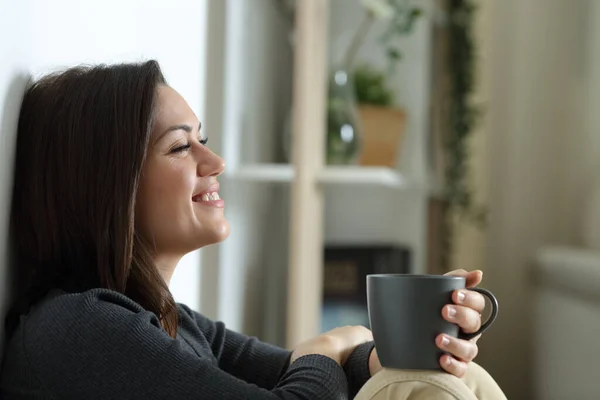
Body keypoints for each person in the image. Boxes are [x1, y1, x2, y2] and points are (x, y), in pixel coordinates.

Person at [0, 60, 505, 399]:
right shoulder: (82, 329)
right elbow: (307, 377)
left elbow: (290, 373)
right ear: (105, 184)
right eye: (181, 147)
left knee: (441, 380)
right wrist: (327, 350)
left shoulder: (172, 321)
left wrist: (395, 350)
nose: (214, 161)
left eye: (204, 141)